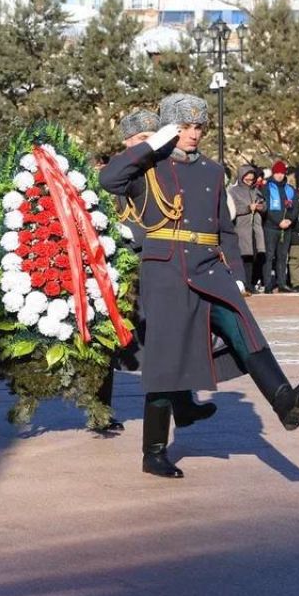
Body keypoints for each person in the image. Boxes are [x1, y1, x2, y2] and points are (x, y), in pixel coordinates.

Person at [100, 93, 299, 479]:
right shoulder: (147, 167)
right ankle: (153, 453)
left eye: (199, 126)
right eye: (185, 127)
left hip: (208, 267)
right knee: (166, 363)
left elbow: (224, 229)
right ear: (170, 127)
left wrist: (235, 269)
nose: (194, 133)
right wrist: (153, 143)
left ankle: (284, 401)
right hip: (165, 269)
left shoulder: (214, 171)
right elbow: (109, 178)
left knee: (242, 328)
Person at [101, 111, 215, 434]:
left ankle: (182, 405)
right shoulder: (117, 174)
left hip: (156, 265)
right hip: (116, 270)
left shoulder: (162, 170)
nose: (148, 145)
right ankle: (101, 410)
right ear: (127, 143)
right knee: (109, 343)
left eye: (152, 137)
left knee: (165, 340)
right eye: (140, 140)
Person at [259, 161, 296, 293]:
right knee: (269, 256)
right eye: (277, 173)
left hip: (286, 228)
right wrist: (277, 221)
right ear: (273, 173)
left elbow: (295, 207)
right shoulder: (266, 187)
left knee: (282, 256)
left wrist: (289, 220)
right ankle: (268, 283)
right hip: (270, 227)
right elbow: (266, 208)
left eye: (282, 173)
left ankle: (282, 283)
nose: (279, 175)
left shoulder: (290, 189)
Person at [227, 165, 265, 292]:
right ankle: (244, 284)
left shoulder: (256, 191)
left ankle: (252, 283)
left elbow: (264, 204)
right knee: (244, 258)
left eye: (251, 180)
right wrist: (248, 208)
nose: (249, 182)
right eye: (247, 179)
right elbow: (233, 209)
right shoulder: (233, 191)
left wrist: (261, 207)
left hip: (255, 229)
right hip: (241, 230)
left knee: (256, 256)